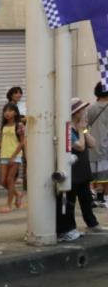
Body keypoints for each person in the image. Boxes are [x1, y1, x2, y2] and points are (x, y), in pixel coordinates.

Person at [58, 97, 103, 240]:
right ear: (75, 112)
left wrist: (83, 130)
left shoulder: (79, 128)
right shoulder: (67, 128)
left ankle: (92, 223)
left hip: (83, 170)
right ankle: (68, 229)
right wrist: (80, 129)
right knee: (69, 202)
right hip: (71, 172)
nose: (84, 112)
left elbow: (92, 143)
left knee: (86, 199)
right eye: (82, 109)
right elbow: (80, 146)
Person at [0, 103, 25, 211]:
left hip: (15, 156)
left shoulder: (19, 125)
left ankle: (8, 205)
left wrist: (13, 156)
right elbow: (4, 141)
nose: (7, 113)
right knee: (2, 181)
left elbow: (22, 142)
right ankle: (17, 195)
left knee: (10, 180)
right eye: (5, 111)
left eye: (10, 110)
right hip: (4, 155)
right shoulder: (4, 126)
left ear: (15, 112)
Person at [86, 83, 108, 205]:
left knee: (94, 173)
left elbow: (84, 127)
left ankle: (96, 195)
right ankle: (103, 198)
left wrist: (86, 135)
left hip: (92, 146)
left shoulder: (90, 108)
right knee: (105, 172)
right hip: (106, 147)